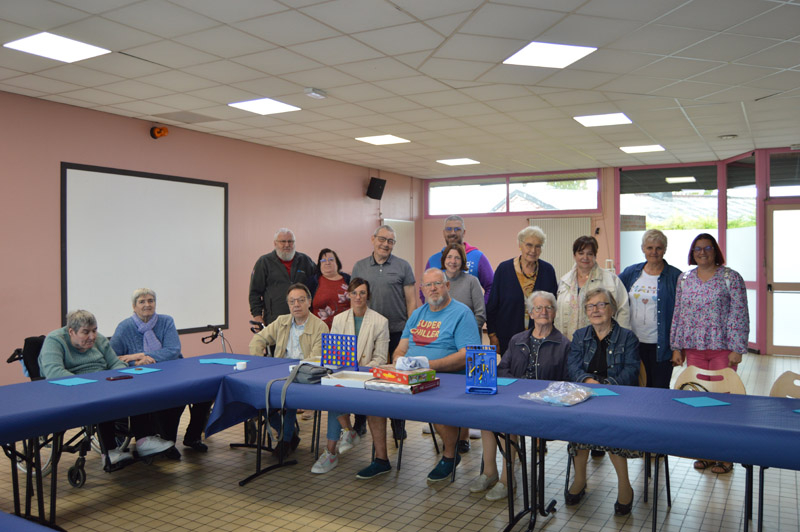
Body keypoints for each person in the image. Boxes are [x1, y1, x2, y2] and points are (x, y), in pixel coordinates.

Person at [469, 291, 570, 501]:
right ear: (530, 313)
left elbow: (566, 381)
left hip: (545, 405)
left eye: (548, 308)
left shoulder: (564, 344)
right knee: (486, 416)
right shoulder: (517, 340)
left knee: (507, 420)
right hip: (516, 398)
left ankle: (507, 480)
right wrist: (518, 388)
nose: (543, 312)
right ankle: (489, 472)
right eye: (538, 308)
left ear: (554, 312)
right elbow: (502, 369)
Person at [39, 310, 175, 466]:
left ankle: (143, 441)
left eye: (94, 330)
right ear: (71, 332)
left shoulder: (100, 340)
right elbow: (54, 372)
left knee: (136, 389)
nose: (92, 337)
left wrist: (121, 377)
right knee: (103, 398)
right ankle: (109, 452)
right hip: (72, 388)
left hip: (102, 382)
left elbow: (116, 363)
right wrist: (91, 384)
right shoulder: (55, 341)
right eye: (85, 332)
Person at [391, 268, 481, 482]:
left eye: (437, 283)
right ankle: (381, 458)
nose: (432, 288)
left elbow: (467, 355)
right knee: (372, 400)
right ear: (422, 290)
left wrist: (428, 366)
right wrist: (398, 361)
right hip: (412, 376)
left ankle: (450, 456)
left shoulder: (462, 313)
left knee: (434, 403)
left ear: (447, 286)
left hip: (448, 378)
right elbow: (401, 349)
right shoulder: (417, 314)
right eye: (427, 285)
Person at [670, 233, 749, 475]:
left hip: (722, 349)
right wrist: (676, 346)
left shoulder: (730, 277)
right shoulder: (684, 279)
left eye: (707, 248)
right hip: (694, 348)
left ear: (716, 251)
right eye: (697, 249)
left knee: (723, 402)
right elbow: (678, 313)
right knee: (699, 401)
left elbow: (740, 313)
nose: (702, 252)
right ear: (692, 253)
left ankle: (725, 455)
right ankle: (704, 452)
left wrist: (738, 348)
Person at [566, 288, 640, 516]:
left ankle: (624, 486)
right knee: (578, 423)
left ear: (612, 309)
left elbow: (632, 371)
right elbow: (573, 366)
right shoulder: (580, 336)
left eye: (601, 304)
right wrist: (588, 382)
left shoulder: (627, 337)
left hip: (617, 396)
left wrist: (605, 385)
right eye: (590, 306)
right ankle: (580, 479)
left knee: (611, 427)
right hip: (586, 393)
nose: (595, 310)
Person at [111, 288, 212, 453]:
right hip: (142, 379)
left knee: (205, 391)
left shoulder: (166, 321)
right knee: (171, 401)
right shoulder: (124, 327)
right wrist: (136, 361)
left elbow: (173, 350)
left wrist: (144, 356)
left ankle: (192, 436)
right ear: (134, 306)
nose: (147, 305)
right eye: (142, 301)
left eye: (150, 300)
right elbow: (114, 357)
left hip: (172, 372)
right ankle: (166, 442)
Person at [310, 278, 390, 476]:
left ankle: (336, 446)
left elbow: (380, 358)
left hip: (366, 377)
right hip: (343, 372)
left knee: (336, 394)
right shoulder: (339, 320)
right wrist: (344, 372)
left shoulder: (380, 321)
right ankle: (344, 436)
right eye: (354, 293)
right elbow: (334, 353)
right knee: (333, 393)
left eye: (362, 293)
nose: (358, 297)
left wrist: (358, 372)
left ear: (368, 295)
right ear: (348, 295)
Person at [249, 283, 329, 459]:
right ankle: (289, 433)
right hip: (279, 373)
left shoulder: (320, 326)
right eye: (292, 301)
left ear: (309, 302)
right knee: (260, 397)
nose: (296, 305)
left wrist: (294, 371)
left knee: (288, 396)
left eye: (301, 300)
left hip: (304, 375)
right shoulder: (282, 321)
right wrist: (259, 364)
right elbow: (257, 340)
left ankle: (285, 441)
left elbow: (315, 359)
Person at [352, 225, 416, 440]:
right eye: (382, 239)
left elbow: (411, 301)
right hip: (368, 332)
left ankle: (398, 424)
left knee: (396, 380)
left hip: (398, 332)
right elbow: (356, 299)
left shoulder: (403, 266)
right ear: (373, 239)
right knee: (364, 376)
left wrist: (410, 332)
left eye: (390, 241)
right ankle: (360, 421)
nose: (385, 244)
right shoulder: (360, 266)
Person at [619, 230, 682, 389]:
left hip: (662, 346)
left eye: (658, 248)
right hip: (633, 344)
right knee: (636, 388)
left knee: (659, 389)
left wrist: (678, 348)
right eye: (649, 248)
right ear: (643, 249)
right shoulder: (631, 272)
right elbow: (614, 294)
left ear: (665, 249)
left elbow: (682, 315)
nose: (654, 252)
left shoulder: (675, 276)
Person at [486, 226, 557, 355]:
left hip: (541, 337)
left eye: (538, 246)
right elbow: (492, 305)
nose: (533, 250)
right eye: (529, 245)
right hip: (508, 336)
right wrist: (492, 335)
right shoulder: (504, 269)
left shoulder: (548, 271)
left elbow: (553, 306)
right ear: (520, 245)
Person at [555, 235, 630, 341]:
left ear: (595, 256)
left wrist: (620, 339)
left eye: (590, 254)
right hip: (568, 342)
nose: (585, 257)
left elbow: (623, 311)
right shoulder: (564, 281)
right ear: (574, 255)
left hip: (603, 342)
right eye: (581, 253)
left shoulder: (611, 280)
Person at [249, 228, 316, 326]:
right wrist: (258, 317)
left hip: (303, 320)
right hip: (274, 321)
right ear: (275, 243)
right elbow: (254, 293)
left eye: (290, 241)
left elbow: (319, 281)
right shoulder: (264, 262)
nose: (287, 245)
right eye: (283, 241)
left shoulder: (305, 260)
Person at [424, 215, 493, 303]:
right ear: (444, 233)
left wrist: (481, 306)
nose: (453, 233)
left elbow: (491, 287)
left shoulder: (478, 257)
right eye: (449, 229)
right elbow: (424, 289)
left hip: (470, 311)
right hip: (440, 311)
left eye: (457, 229)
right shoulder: (433, 260)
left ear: (464, 232)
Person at [441, 243, 485, 331]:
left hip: (468, 334)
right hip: (442, 334)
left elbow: (480, 314)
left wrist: (464, 333)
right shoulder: (437, 282)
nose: (453, 261)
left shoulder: (472, 281)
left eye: (457, 258)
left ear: (463, 261)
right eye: (449, 257)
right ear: (444, 259)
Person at [310, 248, 351, 330]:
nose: (327, 263)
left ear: (337, 263)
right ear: (319, 265)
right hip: (320, 331)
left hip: (346, 331)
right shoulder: (312, 282)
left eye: (331, 260)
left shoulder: (349, 280)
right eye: (323, 260)